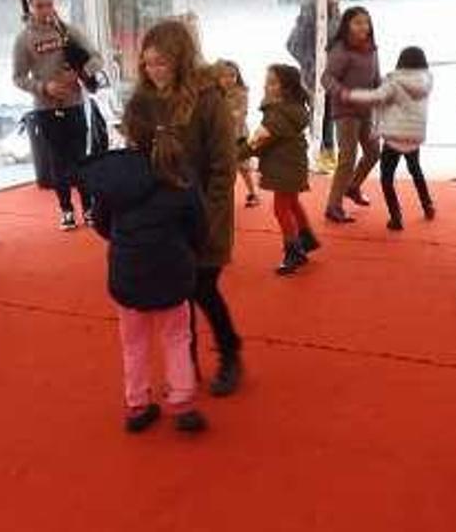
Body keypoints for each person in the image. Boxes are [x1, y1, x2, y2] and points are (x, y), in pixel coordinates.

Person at [82, 97, 209, 434]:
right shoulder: (180, 173)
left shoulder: (112, 175)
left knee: (133, 343)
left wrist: (123, 243)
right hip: (172, 271)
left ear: (128, 131)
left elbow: (101, 223)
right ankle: (182, 401)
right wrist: (187, 251)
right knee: (177, 337)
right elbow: (199, 226)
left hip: (128, 273)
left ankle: (137, 403)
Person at [134, 20, 245, 396]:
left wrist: (209, 222)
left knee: (203, 289)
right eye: (147, 64)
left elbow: (223, 167)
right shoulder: (146, 100)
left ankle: (230, 352)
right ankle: (186, 365)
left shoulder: (208, 100)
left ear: (179, 60)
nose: (154, 71)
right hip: (167, 218)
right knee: (178, 297)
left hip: (206, 216)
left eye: (161, 63)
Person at [13, 0, 104, 231]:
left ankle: (88, 207)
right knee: (57, 162)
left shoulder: (69, 32)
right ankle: (66, 209)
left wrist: (78, 74)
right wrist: (44, 87)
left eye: (50, 4)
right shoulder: (23, 40)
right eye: (40, 6)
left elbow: (97, 57)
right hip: (45, 109)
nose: (46, 11)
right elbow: (18, 77)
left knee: (81, 159)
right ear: (31, 6)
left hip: (74, 104)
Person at [239, 64, 320, 275]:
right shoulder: (292, 109)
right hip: (293, 165)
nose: (267, 86)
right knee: (291, 202)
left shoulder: (278, 115)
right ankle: (306, 238)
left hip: (285, 167)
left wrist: (233, 156)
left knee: (281, 208)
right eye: (267, 82)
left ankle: (294, 250)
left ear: (287, 88)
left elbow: (257, 141)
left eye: (273, 83)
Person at [344, 46, 435, 231]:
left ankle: (396, 217)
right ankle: (428, 205)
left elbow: (376, 97)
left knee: (387, 178)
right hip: (413, 136)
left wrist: (351, 94)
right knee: (416, 170)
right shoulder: (426, 81)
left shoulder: (393, 82)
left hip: (394, 136)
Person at [322, 7, 381, 223]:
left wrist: (383, 94)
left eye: (366, 22)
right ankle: (333, 206)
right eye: (357, 22)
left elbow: (376, 77)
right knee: (347, 157)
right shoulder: (341, 50)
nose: (363, 27)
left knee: (374, 151)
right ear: (347, 25)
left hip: (366, 109)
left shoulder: (372, 48)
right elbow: (326, 79)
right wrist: (343, 93)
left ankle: (353, 187)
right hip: (345, 112)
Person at [286, 0, 341, 172]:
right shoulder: (308, 19)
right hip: (314, 76)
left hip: (333, 76)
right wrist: (311, 64)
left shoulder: (335, 14)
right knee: (320, 113)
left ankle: (328, 153)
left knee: (330, 113)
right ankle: (320, 153)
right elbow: (293, 44)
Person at [214, 59, 259, 208]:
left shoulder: (241, 93)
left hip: (238, 135)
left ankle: (253, 192)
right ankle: (225, 195)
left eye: (232, 75)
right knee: (225, 168)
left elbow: (241, 114)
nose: (229, 79)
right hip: (220, 136)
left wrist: (227, 116)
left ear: (237, 76)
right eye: (225, 76)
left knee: (243, 167)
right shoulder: (214, 94)